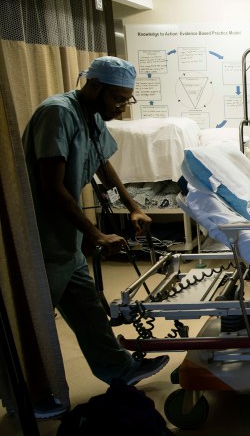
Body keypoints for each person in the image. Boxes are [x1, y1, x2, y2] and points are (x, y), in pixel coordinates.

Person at [22, 56, 169, 419]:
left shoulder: (91, 116)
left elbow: (103, 161)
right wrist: (94, 233)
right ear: (94, 86)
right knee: (34, 324)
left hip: (65, 241)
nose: (122, 108)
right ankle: (32, 397)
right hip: (39, 238)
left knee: (88, 309)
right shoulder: (57, 113)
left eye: (127, 100)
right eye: (118, 99)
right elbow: (51, 187)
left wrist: (132, 205)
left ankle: (120, 369)